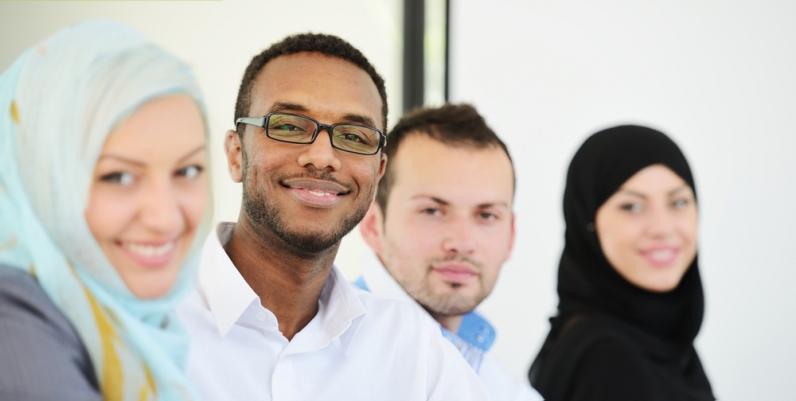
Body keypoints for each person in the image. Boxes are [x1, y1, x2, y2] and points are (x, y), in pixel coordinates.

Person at [176, 34, 490, 400]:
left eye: (354, 136)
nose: (323, 156)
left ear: (378, 172)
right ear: (235, 154)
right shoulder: (140, 318)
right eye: (290, 126)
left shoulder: (411, 346)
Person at [0, 20, 212, 400]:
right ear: (42, 179)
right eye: (118, 177)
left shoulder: (138, 323)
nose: (165, 218)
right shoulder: (13, 319)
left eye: (188, 170)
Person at [356, 103, 543, 401]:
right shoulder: (320, 355)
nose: (462, 241)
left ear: (511, 235)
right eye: (432, 210)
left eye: (486, 216)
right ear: (373, 225)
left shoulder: (496, 380)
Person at [528, 125, 715, 400]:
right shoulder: (608, 359)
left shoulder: (655, 340)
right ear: (587, 222)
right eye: (632, 206)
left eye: (678, 202)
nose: (662, 227)